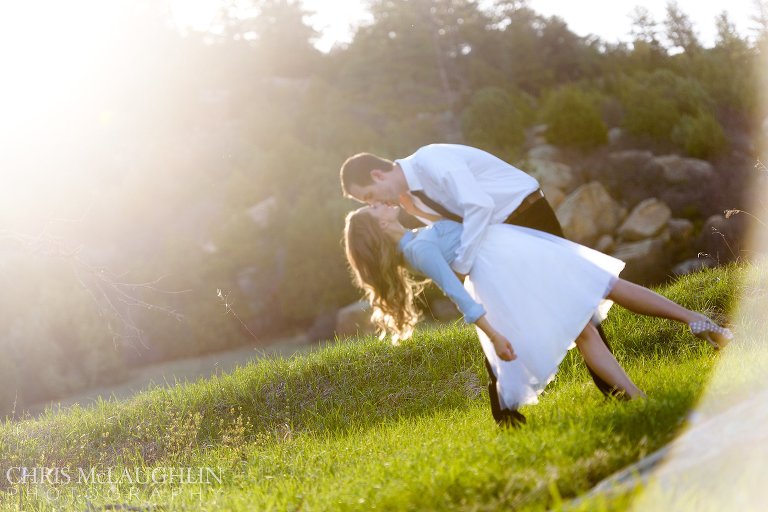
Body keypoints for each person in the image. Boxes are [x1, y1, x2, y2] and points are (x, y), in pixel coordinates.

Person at [343, 205, 733, 424]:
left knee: (601, 293)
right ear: (377, 224)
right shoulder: (417, 251)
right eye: (375, 206)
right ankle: (645, 390)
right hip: (507, 269)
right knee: (587, 322)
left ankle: (697, 327)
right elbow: (459, 294)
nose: (382, 203)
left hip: (518, 252)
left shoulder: (416, 235)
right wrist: (494, 335)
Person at [340, 143, 615, 427]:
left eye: (370, 196)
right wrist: (461, 264)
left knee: (575, 301)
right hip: (494, 241)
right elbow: (455, 229)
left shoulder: (432, 160)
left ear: (377, 175)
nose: (375, 204)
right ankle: (506, 413)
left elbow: (479, 206)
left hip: (525, 215)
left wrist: (461, 266)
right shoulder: (412, 200)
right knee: (501, 316)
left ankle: (615, 392)